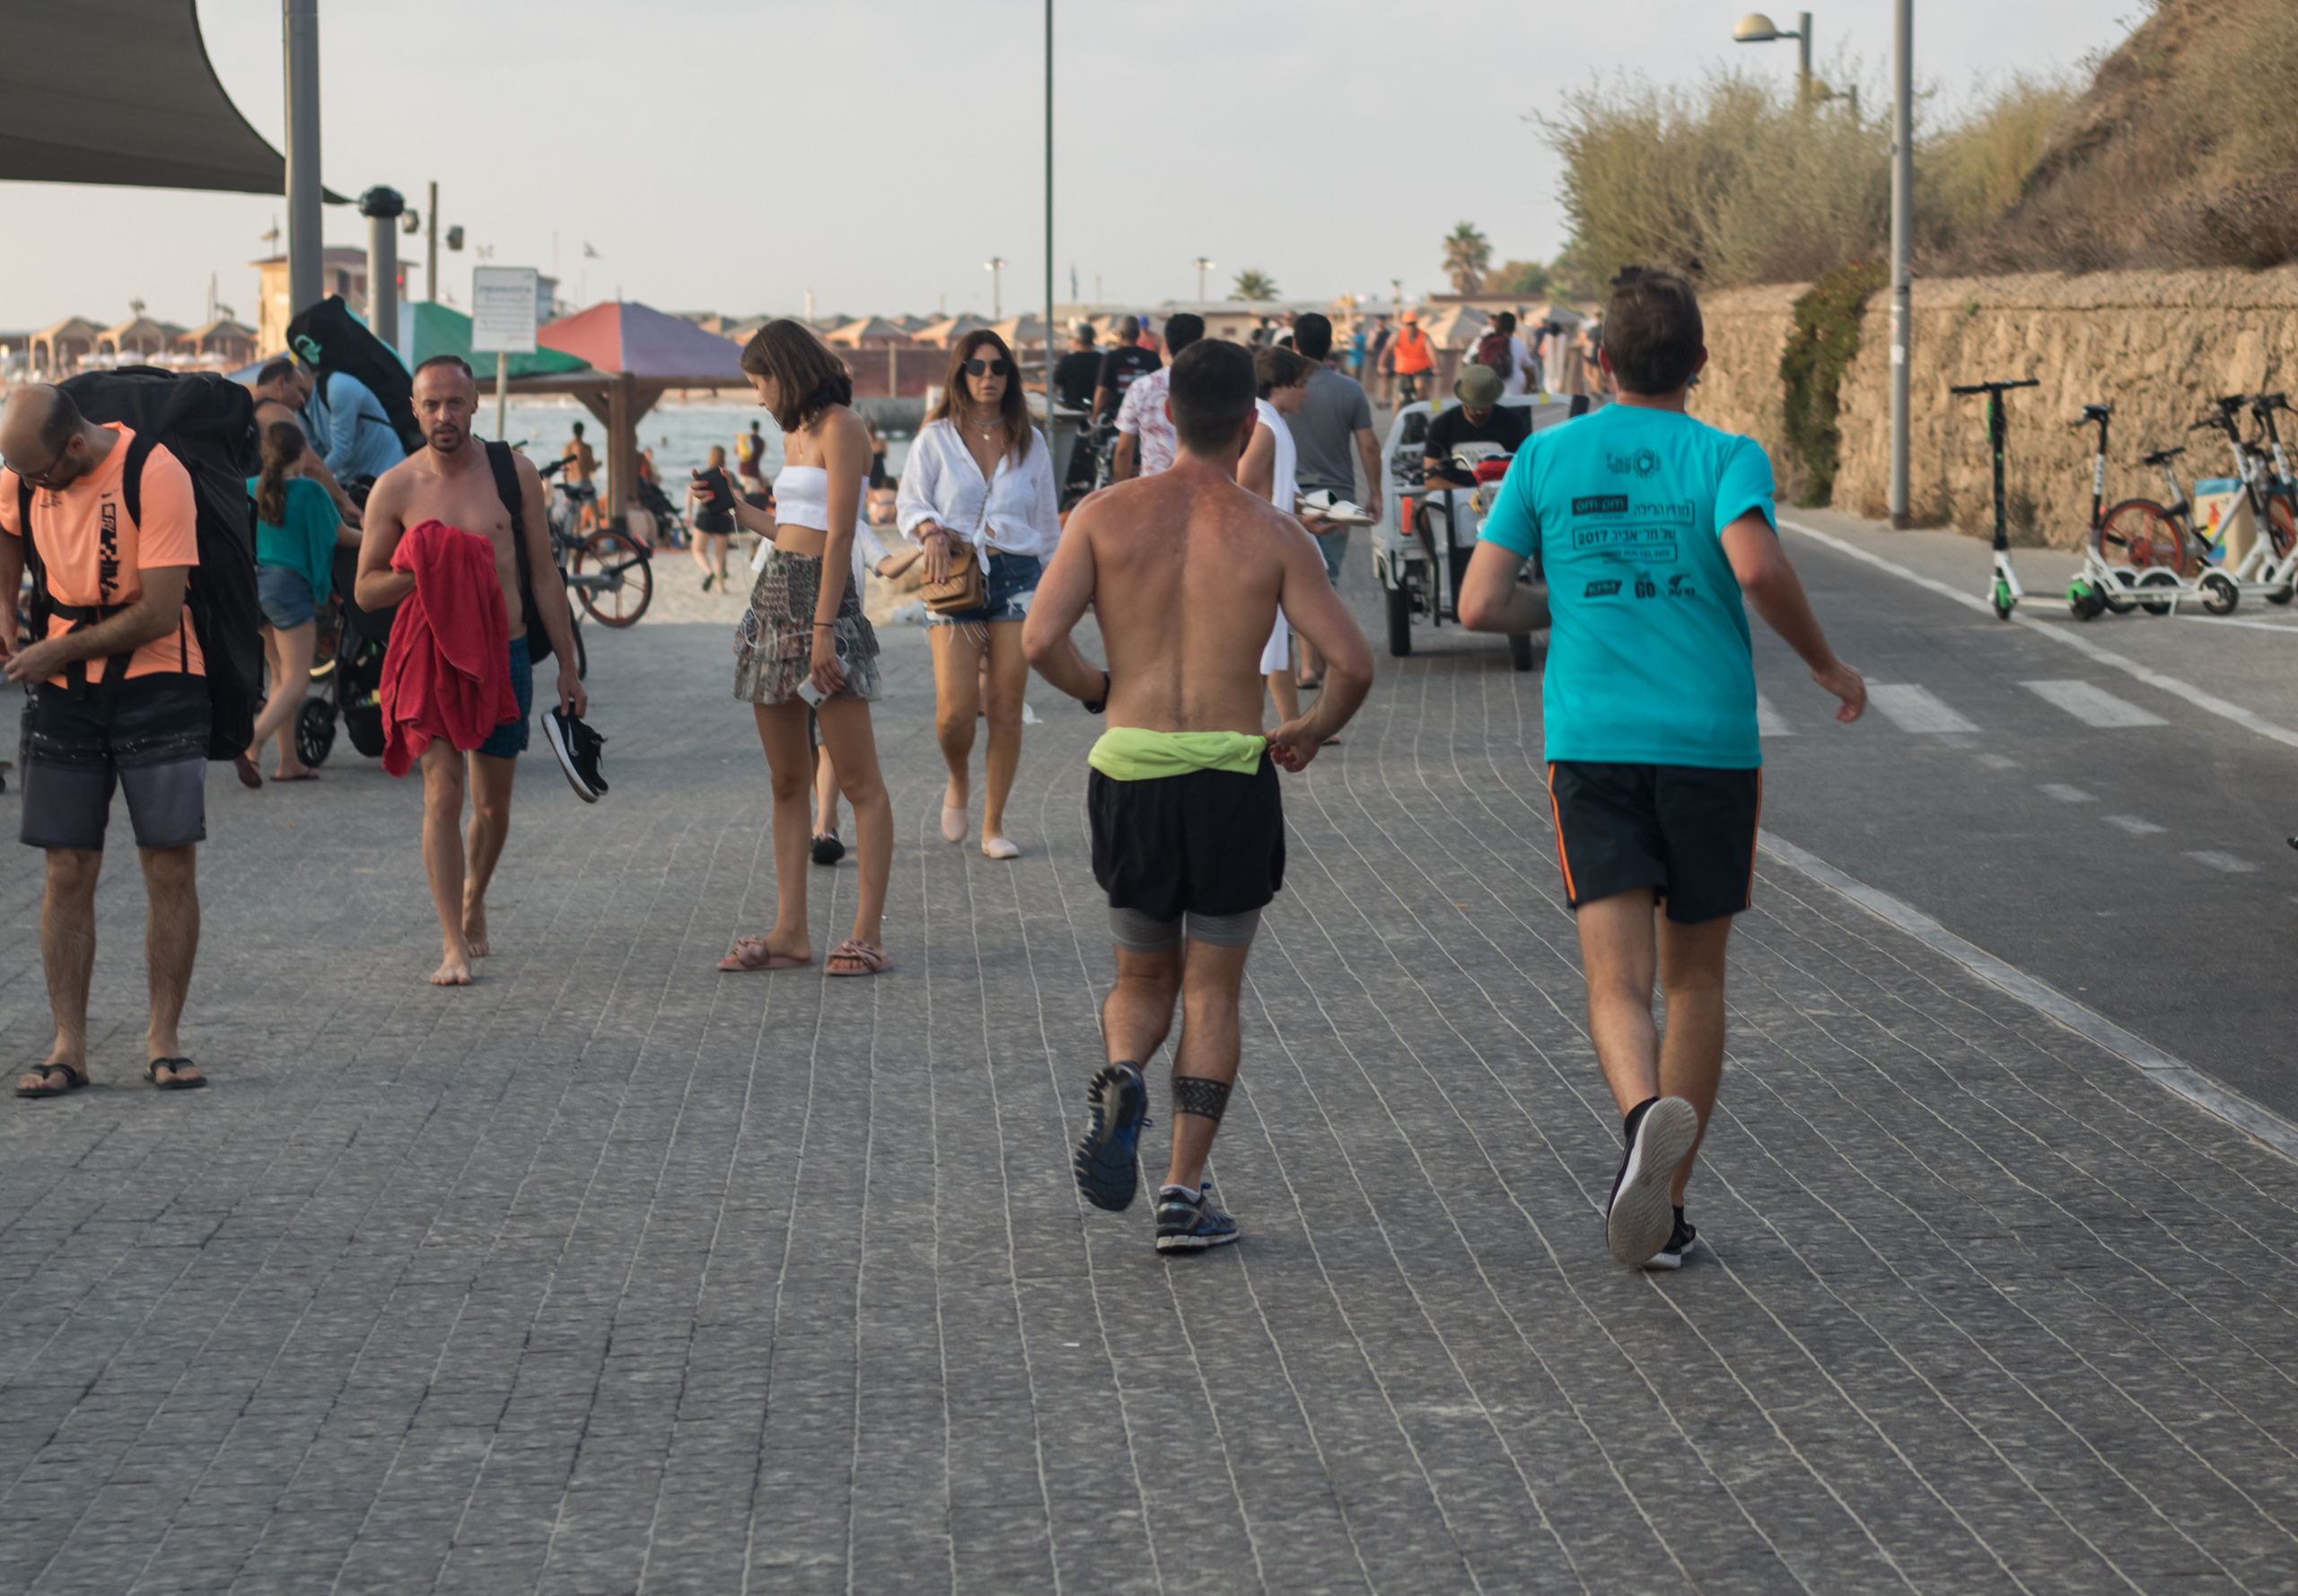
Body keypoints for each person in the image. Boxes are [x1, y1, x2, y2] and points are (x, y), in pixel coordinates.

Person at [1458, 267, 1866, 1270]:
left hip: (1591, 744)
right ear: (1700, 362)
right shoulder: (1724, 454)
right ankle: (1669, 1205)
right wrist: (1822, 661)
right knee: (1694, 981)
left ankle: (1642, 1114)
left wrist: (1570, 602)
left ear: (1597, 360)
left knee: (1614, 980)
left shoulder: (1546, 457)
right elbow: (1759, 566)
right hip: (1706, 747)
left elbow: (1477, 604)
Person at [1023, 340, 1373, 1252]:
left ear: (1166, 415)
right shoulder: (1272, 533)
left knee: (1141, 975)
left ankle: (1123, 1068)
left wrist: (1100, 691)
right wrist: (1304, 728)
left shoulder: (1103, 515)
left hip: (1131, 767)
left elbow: (1035, 640)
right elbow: (1352, 662)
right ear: (1251, 422)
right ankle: (1181, 1190)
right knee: (1213, 993)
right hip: (1227, 770)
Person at [0, 384, 211, 1094]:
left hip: (158, 680)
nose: (32, 489)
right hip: (63, 694)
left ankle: (164, 1038)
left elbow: (159, 611)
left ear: (76, 447)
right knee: (67, 869)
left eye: (41, 476)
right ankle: (69, 1047)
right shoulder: (24, 469)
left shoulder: (156, 474)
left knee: (168, 864)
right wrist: (5, 606)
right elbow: (5, 526)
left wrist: (57, 652)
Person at [355, 355, 587, 987]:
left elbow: (543, 574)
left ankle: (474, 892)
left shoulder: (514, 475)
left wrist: (568, 664)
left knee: (492, 806)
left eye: (454, 403)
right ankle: (451, 944)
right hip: (429, 658)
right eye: (431, 405)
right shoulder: (395, 488)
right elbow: (366, 591)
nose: (443, 416)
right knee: (443, 794)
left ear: (476, 403)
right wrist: (430, 568)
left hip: (504, 654)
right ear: (414, 409)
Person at [713, 319, 895, 978]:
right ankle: (791, 931)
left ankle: (866, 934)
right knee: (787, 779)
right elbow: (790, 528)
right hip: (773, 601)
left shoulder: (844, 427)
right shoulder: (794, 435)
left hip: (825, 608)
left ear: (785, 370)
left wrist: (823, 630)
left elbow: (841, 536)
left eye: (759, 380)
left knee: (857, 781)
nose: (757, 396)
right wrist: (734, 507)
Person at [898, 329, 1063, 860]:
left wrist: (1057, 587)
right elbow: (909, 503)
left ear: (1010, 378)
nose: (987, 376)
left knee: (1006, 708)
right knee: (955, 712)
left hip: (1018, 577)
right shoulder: (936, 438)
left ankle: (993, 825)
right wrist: (928, 530)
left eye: (998, 368)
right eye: (976, 367)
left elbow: (1046, 524)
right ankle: (958, 778)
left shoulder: (1030, 441)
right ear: (959, 373)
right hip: (954, 577)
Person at [248, 420, 356, 780]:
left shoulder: (250, 488)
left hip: (256, 586)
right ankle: (254, 742)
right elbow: (341, 536)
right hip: (290, 587)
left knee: (280, 677)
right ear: (301, 453)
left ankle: (288, 762)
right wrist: (382, 532)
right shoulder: (310, 492)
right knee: (297, 680)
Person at [811, 522, 923, 865]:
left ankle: (824, 823)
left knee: (827, 741)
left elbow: (885, 566)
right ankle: (827, 817)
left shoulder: (854, 528)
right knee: (810, 743)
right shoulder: (791, 517)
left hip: (841, 639)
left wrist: (923, 547)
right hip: (793, 636)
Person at [1285, 313, 1384, 688]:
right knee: (1325, 579)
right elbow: (1368, 444)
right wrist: (1374, 493)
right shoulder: (1350, 389)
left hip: (1289, 498)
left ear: (1294, 344)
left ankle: (1310, 664)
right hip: (1336, 499)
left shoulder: (1278, 390)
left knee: (1295, 578)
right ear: (1329, 346)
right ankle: (1320, 659)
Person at [1241, 346, 1327, 725]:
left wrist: (1305, 509)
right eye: (1302, 385)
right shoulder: (1266, 427)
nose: (1306, 393)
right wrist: (1288, 519)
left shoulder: (1271, 422)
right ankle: (1292, 724)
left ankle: (1290, 723)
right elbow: (1242, 484)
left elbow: (1275, 485)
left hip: (1272, 540)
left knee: (1275, 640)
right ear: (1281, 385)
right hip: (1265, 545)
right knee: (1273, 639)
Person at [249, 358, 361, 527]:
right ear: (280, 382)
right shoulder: (276, 412)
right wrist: (346, 502)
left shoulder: (246, 406)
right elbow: (310, 466)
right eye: (299, 390)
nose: (302, 400)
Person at [1111, 312, 1204, 480]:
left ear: (1166, 344)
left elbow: (1124, 450)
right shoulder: (1215, 386)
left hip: (1153, 490)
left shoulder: (1141, 387)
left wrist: (1120, 493)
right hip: (1201, 492)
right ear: (1201, 344)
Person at [301, 364, 405, 505]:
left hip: (388, 473)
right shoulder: (300, 408)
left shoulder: (339, 388)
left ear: (281, 384)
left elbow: (342, 451)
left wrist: (310, 476)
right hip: (354, 487)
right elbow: (316, 454)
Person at [1422, 363, 1531, 485]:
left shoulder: (1512, 422)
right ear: (1464, 401)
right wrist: (1471, 496)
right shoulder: (1442, 425)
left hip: (1501, 492)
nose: (1479, 411)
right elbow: (1430, 480)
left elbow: (1527, 471)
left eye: (1484, 406)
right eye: (1474, 406)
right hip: (1456, 494)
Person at [1091, 315, 1161, 425]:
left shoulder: (1111, 357)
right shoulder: (1152, 357)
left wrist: (1094, 419)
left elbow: (1102, 392)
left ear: (1120, 334)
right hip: (1146, 420)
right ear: (1138, 334)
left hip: (1116, 420)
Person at [689, 444, 737, 592]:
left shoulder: (704, 475)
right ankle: (720, 587)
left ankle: (708, 572)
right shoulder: (730, 475)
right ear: (724, 458)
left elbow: (693, 493)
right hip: (724, 514)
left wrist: (689, 513)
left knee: (698, 550)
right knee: (720, 554)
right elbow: (738, 493)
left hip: (705, 514)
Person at [1477, 311, 1539, 399]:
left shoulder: (1486, 342)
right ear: (1513, 328)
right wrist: (1528, 388)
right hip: (1514, 390)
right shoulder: (1519, 345)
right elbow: (1528, 370)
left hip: (1490, 390)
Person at [1387, 310, 1434, 406]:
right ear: (1404, 324)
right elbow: (1387, 350)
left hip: (1421, 371)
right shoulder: (1397, 335)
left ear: (1416, 323)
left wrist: (1436, 367)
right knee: (1398, 399)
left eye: (1413, 324)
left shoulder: (1424, 336)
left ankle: (1422, 408)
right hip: (1402, 372)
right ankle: (1397, 419)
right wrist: (1381, 366)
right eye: (1408, 324)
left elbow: (1431, 352)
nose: (1411, 326)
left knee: (1420, 386)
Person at [560, 421, 600, 531]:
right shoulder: (586, 448)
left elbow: (563, 466)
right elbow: (591, 467)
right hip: (584, 482)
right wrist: (597, 464)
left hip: (572, 483)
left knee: (576, 516)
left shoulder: (567, 447)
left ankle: (576, 540)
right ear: (583, 432)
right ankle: (595, 539)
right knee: (595, 513)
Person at [735, 417, 768, 502]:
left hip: (742, 472)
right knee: (751, 501)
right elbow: (759, 457)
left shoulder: (746, 440)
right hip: (753, 474)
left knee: (742, 499)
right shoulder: (762, 442)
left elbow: (735, 450)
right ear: (759, 428)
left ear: (751, 428)